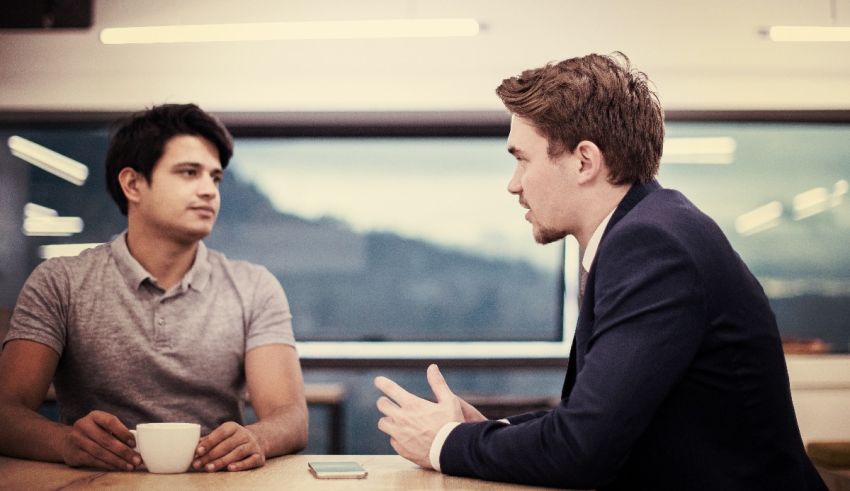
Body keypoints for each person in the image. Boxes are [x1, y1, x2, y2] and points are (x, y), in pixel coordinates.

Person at [374, 53, 827, 490]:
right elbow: (595, 416)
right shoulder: (650, 229)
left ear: (585, 161)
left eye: (522, 158)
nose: (513, 184)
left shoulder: (651, 246)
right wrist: (488, 432)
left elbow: (582, 448)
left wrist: (444, 442)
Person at [0, 103, 308, 472]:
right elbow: (6, 410)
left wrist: (258, 437)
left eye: (215, 178)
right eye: (189, 172)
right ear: (132, 184)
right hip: (99, 482)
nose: (209, 190)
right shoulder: (60, 282)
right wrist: (66, 442)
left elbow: (289, 416)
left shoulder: (255, 286)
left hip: (215, 482)